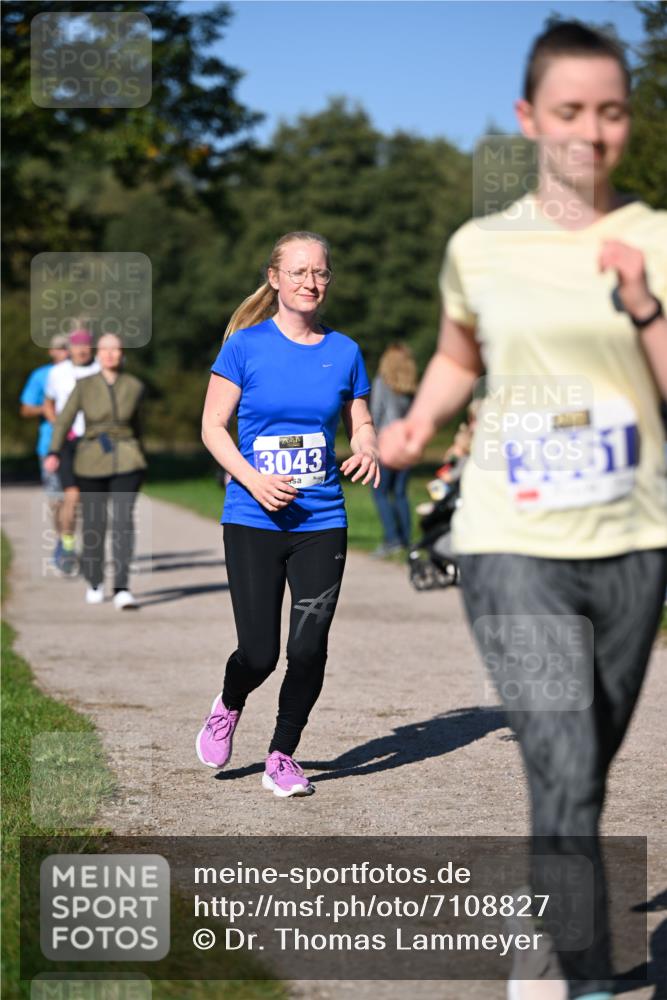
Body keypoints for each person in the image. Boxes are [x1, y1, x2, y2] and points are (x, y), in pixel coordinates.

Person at [380, 21, 667, 1000]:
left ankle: (543, 915)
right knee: (564, 761)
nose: (590, 131)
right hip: (510, 542)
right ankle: (582, 976)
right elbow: (457, 354)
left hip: (632, 539)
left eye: (610, 111)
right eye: (568, 110)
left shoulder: (656, 240)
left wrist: (642, 303)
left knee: (582, 770)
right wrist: (417, 425)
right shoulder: (480, 247)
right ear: (528, 118)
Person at [196, 231, 379, 797]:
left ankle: (282, 754)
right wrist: (252, 479)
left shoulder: (344, 351)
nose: (310, 282)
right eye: (299, 272)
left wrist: (368, 446)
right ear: (275, 278)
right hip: (252, 518)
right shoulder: (244, 347)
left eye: (320, 272)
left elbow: (360, 419)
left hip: (321, 521)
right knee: (259, 654)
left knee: (307, 648)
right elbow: (212, 427)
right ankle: (229, 703)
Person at [44, 334, 146, 609]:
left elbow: (139, 426)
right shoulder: (84, 385)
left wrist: (141, 456)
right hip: (90, 459)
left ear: (122, 353)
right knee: (94, 523)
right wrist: (54, 451)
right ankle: (94, 581)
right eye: (105, 349)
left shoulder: (134, 386)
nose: (110, 354)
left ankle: (122, 587)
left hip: (127, 459)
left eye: (116, 349)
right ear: (97, 354)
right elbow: (64, 420)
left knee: (123, 522)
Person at [43, 329, 101, 573]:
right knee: (72, 496)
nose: (82, 350)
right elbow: (48, 405)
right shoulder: (57, 373)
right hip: (69, 441)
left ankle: (92, 549)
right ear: (69, 349)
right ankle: (67, 545)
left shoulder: (100, 369)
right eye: (77, 345)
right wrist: (59, 428)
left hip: (95, 442)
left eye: (86, 345)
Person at [19, 334, 69, 567]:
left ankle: (71, 542)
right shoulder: (41, 376)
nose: (64, 352)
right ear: (51, 351)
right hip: (49, 445)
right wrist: (49, 408)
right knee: (56, 499)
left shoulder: (82, 373)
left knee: (77, 497)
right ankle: (62, 542)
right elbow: (25, 409)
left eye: (67, 347)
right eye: (60, 348)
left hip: (80, 445)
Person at [369, 342, 417, 556]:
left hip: (386, 444)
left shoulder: (382, 382)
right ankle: (406, 539)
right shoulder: (410, 388)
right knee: (400, 493)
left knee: (380, 493)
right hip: (406, 445)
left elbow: (376, 413)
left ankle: (391, 539)